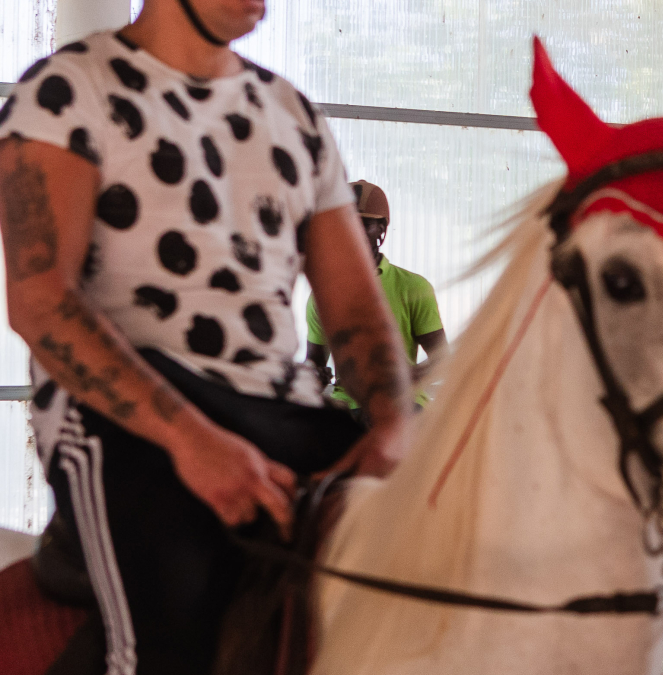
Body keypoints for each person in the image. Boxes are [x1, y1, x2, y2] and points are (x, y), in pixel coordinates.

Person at [0, 0, 409, 672]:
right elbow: (42, 302)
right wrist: (193, 441)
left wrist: (394, 426)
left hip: (282, 408)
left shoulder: (294, 116)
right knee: (174, 640)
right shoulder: (67, 92)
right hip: (119, 420)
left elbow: (358, 314)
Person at [306, 180, 446, 416]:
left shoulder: (413, 288)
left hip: (404, 403)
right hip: (347, 407)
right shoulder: (323, 292)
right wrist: (313, 376)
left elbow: (442, 359)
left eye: (364, 224)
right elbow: (315, 363)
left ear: (381, 229)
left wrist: (404, 378)